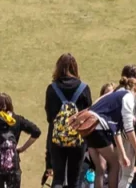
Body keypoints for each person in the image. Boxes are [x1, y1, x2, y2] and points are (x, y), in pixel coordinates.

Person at [86, 68, 136, 188]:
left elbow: (116, 131)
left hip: (88, 128)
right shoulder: (128, 97)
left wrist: (123, 154)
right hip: (99, 128)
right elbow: (129, 128)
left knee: (100, 169)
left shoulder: (114, 95)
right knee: (115, 165)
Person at [46, 54, 94, 188]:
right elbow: (89, 116)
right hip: (78, 139)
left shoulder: (52, 89)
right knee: (74, 179)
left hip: (57, 139)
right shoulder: (84, 88)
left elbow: (50, 117)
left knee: (58, 178)